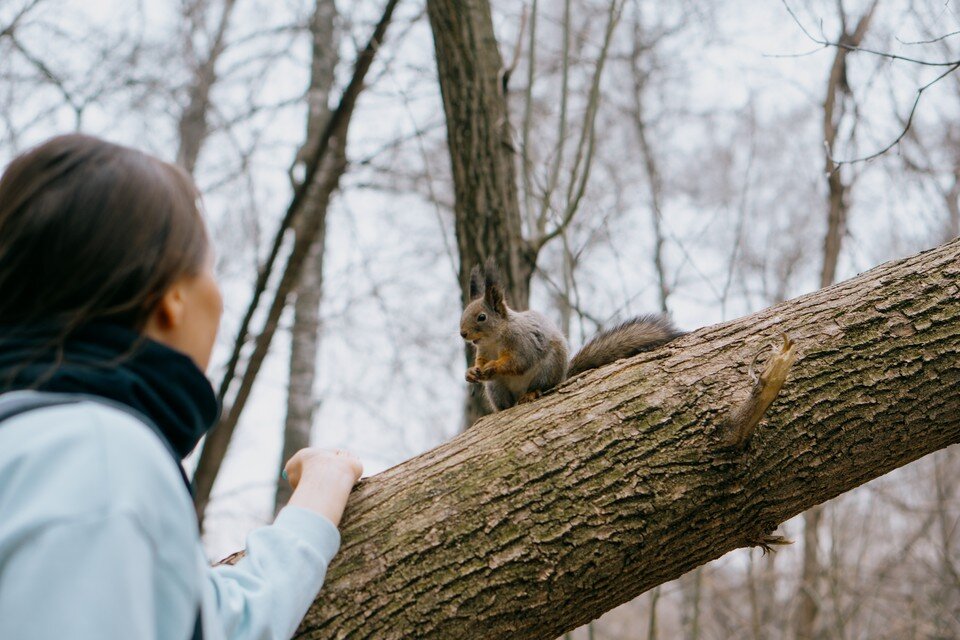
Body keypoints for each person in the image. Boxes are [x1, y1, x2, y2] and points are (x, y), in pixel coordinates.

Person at [0, 134, 362, 640]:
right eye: (209, 268)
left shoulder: (40, 445)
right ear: (170, 295)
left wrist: (317, 499)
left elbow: (210, 621)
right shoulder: (99, 455)